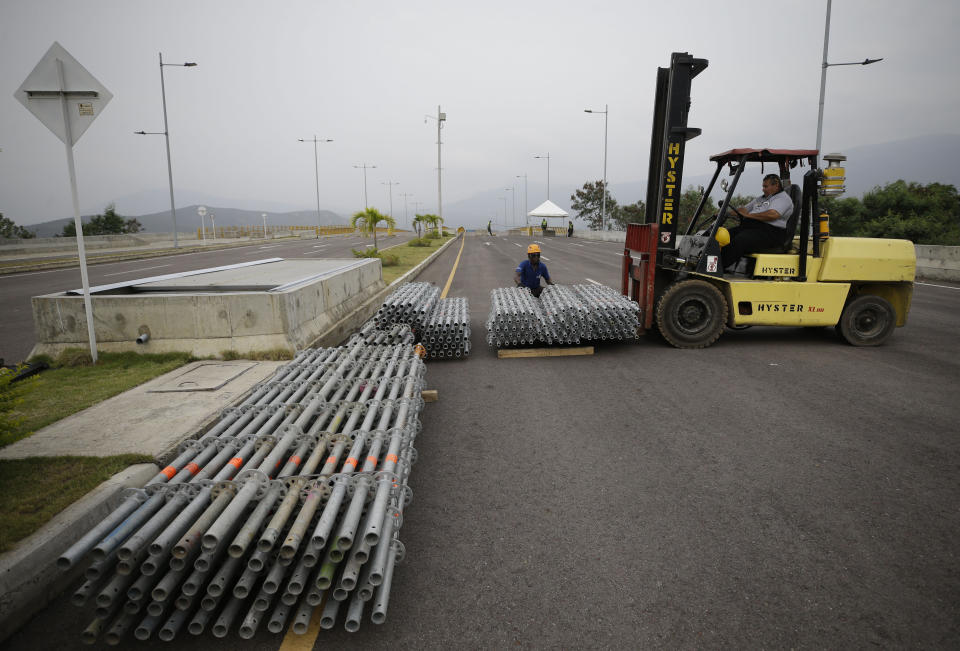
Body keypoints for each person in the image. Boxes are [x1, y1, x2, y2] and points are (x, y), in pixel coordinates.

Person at [720, 174, 794, 270]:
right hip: (753, 229)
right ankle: (707, 261)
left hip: (771, 234)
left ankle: (719, 266)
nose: (763, 189)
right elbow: (744, 210)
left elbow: (773, 214)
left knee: (741, 240)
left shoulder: (782, 198)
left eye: (765, 186)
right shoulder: (762, 198)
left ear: (776, 185)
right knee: (725, 235)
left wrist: (749, 216)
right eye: (763, 186)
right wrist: (725, 214)